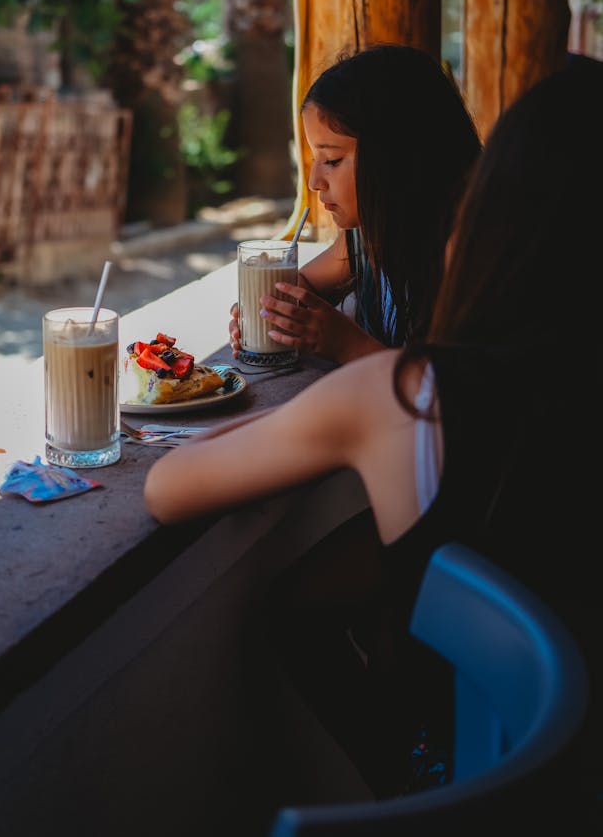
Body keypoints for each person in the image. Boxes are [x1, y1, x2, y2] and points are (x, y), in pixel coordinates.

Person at [145, 63, 603, 815]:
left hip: (480, 793)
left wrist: (324, 397)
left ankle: (410, 778)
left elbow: (165, 491)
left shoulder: (406, 392)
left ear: (495, 216)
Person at [229, 44, 482, 364]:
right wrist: (275, 313)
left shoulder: (466, 248)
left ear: (398, 155)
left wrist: (348, 345)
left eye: (332, 160)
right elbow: (302, 287)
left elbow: (456, 392)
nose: (314, 182)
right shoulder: (371, 234)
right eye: (314, 160)